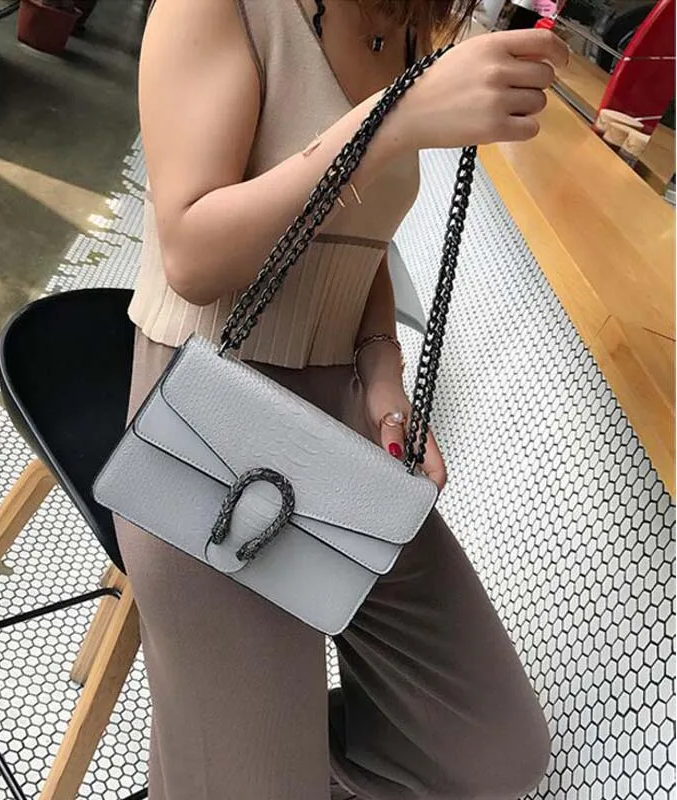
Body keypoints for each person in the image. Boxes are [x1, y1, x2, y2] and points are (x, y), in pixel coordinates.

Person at [114, 2, 568, 798]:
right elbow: (192, 255)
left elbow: (356, 237)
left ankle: (234, 753)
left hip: (339, 422)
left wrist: (381, 365)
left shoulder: (401, 20)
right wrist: (390, 122)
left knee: (491, 750)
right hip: (210, 426)